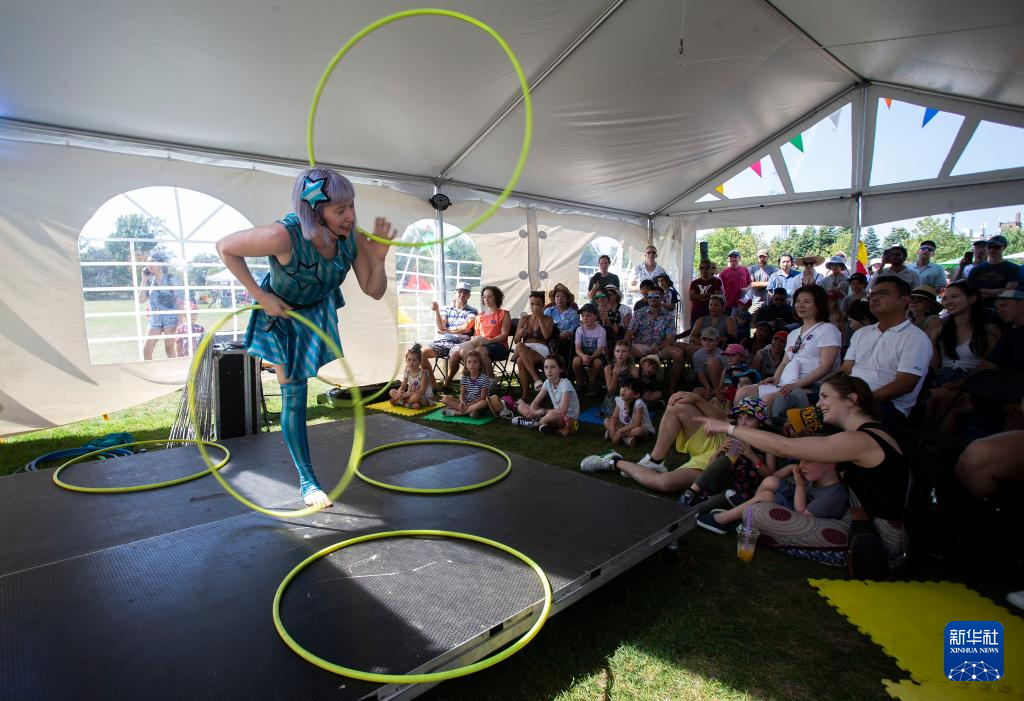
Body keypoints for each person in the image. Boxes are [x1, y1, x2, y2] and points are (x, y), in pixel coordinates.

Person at [215, 167, 393, 508]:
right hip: (282, 314)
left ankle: (308, 478)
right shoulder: (282, 236)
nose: (351, 216)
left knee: (300, 387)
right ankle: (308, 481)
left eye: (352, 206)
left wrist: (379, 260)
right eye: (340, 210)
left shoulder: (350, 237)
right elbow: (225, 247)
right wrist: (260, 296)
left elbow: (374, 290)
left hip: (316, 310)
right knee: (294, 395)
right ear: (314, 210)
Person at [694, 374, 910, 573]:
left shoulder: (862, 440)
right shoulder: (871, 434)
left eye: (825, 396)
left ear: (851, 399)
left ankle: (741, 520)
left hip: (877, 542)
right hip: (858, 522)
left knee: (760, 513)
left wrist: (728, 428)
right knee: (767, 498)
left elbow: (785, 447)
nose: (818, 404)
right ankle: (742, 516)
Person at [580, 390, 729, 491]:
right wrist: (696, 397)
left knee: (664, 483)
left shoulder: (637, 403)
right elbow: (723, 418)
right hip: (715, 439)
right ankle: (655, 461)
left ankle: (613, 461)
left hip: (716, 463)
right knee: (678, 403)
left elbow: (719, 464)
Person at [736, 285, 841, 418]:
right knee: (743, 392)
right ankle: (738, 426)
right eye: (798, 301)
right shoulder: (793, 333)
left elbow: (826, 366)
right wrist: (776, 378)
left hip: (813, 386)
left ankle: (762, 429)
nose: (800, 305)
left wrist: (795, 385)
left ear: (818, 304)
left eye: (807, 301)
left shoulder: (828, 330)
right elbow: (785, 362)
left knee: (769, 399)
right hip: (787, 383)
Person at [841, 277, 932, 427]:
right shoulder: (862, 333)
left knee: (824, 421)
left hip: (886, 406)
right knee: (802, 404)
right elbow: (846, 369)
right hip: (850, 398)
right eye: (872, 294)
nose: (874, 298)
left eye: (882, 293)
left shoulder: (916, 338)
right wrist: (832, 391)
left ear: (905, 300)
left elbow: (905, 383)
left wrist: (861, 401)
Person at [696, 459, 847, 536]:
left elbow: (802, 516)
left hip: (802, 523)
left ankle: (721, 521)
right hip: (795, 505)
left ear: (830, 465)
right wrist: (790, 468)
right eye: (802, 460)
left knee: (766, 496)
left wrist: (800, 485)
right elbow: (775, 476)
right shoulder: (818, 479)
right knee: (771, 481)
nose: (802, 465)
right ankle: (747, 512)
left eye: (808, 461)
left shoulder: (833, 495)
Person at [445, 285, 511, 384]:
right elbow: (476, 335)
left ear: (496, 298)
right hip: (480, 344)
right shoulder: (479, 316)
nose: (486, 299)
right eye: (484, 297)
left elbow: (504, 335)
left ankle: (490, 379)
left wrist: (489, 341)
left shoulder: (504, 314)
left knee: (479, 350)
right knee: (464, 351)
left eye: (489, 297)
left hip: (499, 345)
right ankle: (473, 379)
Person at [624, 288, 685, 389]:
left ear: (662, 298)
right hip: (640, 347)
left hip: (660, 348)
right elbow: (629, 332)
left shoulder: (668, 316)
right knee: (623, 351)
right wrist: (625, 345)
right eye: (650, 297)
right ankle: (630, 384)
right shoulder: (639, 313)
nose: (652, 299)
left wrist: (657, 347)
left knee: (678, 353)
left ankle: (671, 388)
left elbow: (670, 338)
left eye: (656, 297)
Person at [421, 281, 478, 390]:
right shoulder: (446, 308)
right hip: (444, 341)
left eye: (465, 292)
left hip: (462, 343)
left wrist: (447, 331)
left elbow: (465, 328)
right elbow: (441, 327)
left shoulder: (472, 311)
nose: (462, 294)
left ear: (469, 296)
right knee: (421, 353)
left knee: (455, 354)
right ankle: (434, 385)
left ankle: (447, 383)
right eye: (460, 291)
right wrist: (437, 311)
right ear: (455, 293)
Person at [514, 353, 580, 435]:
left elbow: (563, 410)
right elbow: (536, 402)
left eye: (553, 367)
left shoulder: (565, 384)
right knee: (521, 406)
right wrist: (532, 411)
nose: (548, 371)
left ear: (561, 369)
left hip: (567, 418)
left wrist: (539, 412)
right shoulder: (547, 382)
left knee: (551, 416)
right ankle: (541, 423)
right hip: (552, 413)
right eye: (546, 367)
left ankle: (534, 423)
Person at [140, 251, 183, 360]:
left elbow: (179, 300)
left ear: (161, 264)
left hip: (171, 318)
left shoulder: (171, 279)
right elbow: (141, 300)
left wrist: (180, 321)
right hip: (155, 319)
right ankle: (151, 371)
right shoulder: (149, 281)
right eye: (148, 262)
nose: (149, 264)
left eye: (152, 261)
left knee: (169, 349)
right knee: (146, 351)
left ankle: (174, 369)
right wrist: (144, 280)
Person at [512, 290, 555, 398]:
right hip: (526, 349)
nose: (534, 307)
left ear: (543, 305)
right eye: (532, 304)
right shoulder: (525, 318)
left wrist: (540, 318)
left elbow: (546, 336)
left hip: (541, 349)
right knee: (520, 358)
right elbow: (516, 340)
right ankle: (528, 391)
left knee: (520, 352)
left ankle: (532, 384)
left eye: (537, 304)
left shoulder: (548, 319)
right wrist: (519, 334)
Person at [967, 234, 1019, 305]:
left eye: (996, 247)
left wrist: (980, 291)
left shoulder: (1013, 268)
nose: (992, 250)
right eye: (989, 247)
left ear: (1004, 248)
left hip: (1004, 307)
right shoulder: (976, 270)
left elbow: (1009, 291)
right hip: (980, 307)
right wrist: (997, 292)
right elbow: (969, 291)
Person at [441, 350, 495, 418]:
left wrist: (469, 405)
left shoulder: (484, 378)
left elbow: (482, 398)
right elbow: (462, 393)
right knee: (444, 399)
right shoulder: (465, 377)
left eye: (475, 362)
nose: (472, 364)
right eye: (469, 362)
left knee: (483, 403)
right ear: (466, 364)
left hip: (477, 403)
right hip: (466, 402)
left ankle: (458, 413)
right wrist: (461, 402)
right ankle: (469, 411)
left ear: (480, 364)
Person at [603, 377, 655, 447]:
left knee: (637, 431)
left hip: (642, 429)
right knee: (606, 421)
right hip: (626, 427)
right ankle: (626, 439)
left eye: (627, 389)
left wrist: (619, 431)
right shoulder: (620, 400)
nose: (623, 390)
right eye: (622, 387)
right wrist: (612, 429)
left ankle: (619, 436)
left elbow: (637, 423)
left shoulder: (638, 403)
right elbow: (614, 417)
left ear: (636, 395)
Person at [572, 303, 608, 394]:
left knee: (597, 363)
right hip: (583, 353)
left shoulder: (601, 330)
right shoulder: (579, 329)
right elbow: (577, 348)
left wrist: (589, 358)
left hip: (596, 354)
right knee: (576, 361)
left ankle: (592, 381)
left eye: (588, 315)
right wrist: (583, 356)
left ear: (595, 316)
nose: (585, 318)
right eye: (583, 316)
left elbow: (600, 350)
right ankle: (579, 380)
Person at [389, 343, 433, 409]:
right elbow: (403, 386)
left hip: (423, 397)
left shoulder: (423, 373)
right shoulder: (407, 371)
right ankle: (410, 404)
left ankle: (402, 402)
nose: (411, 362)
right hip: (409, 395)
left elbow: (422, 391)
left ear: (419, 362)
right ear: (406, 361)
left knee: (417, 397)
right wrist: (400, 392)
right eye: (409, 360)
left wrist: (406, 394)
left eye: (414, 360)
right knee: (391, 391)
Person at [545, 282, 580, 360]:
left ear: (568, 299)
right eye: (557, 296)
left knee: (563, 344)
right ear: (554, 298)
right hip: (549, 337)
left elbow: (574, 329)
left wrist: (568, 333)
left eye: (563, 296)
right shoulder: (548, 311)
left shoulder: (574, 313)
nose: (560, 299)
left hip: (565, 340)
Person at [603, 339, 639, 404]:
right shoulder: (608, 368)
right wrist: (615, 375)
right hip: (613, 399)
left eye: (624, 351)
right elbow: (611, 391)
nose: (620, 354)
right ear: (614, 352)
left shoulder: (634, 368)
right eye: (617, 351)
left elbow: (634, 389)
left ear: (629, 353)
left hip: (628, 398)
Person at [691, 328, 723, 399]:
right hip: (706, 381)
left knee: (712, 361)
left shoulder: (722, 354)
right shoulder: (697, 355)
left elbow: (726, 373)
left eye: (710, 340)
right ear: (701, 341)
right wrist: (707, 386)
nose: (707, 343)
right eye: (704, 339)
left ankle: (716, 391)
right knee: (696, 392)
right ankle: (710, 394)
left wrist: (719, 387)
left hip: (719, 382)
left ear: (717, 342)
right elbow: (701, 374)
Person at [719, 250, 752, 315]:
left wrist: (746, 289)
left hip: (742, 305)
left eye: (735, 257)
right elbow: (720, 289)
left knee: (742, 321)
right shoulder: (724, 272)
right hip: (728, 304)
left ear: (739, 258)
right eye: (731, 257)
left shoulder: (745, 270)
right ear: (728, 259)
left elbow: (750, 284)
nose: (733, 259)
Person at [747, 248, 778, 316]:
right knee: (752, 319)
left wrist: (760, 284)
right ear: (757, 257)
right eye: (760, 257)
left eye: (764, 257)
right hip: (754, 302)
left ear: (767, 257)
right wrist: (769, 283)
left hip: (769, 302)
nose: (762, 259)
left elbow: (777, 282)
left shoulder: (773, 269)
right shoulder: (752, 269)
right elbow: (751, 284)